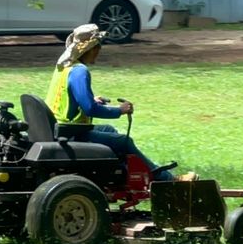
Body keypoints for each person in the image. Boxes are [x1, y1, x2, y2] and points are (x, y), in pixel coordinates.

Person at [46, 23, 175, 182]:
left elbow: (69, 98)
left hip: (59, 127)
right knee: (124, 141)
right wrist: (119, 110)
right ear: (92, 49)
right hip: (71, 133)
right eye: (98, 48)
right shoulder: (80, 71)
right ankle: (162, 177)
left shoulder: (64, 67)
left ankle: (125, 174)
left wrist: (92, 100)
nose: (98, 52)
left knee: (109, 129)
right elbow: (89, 109)